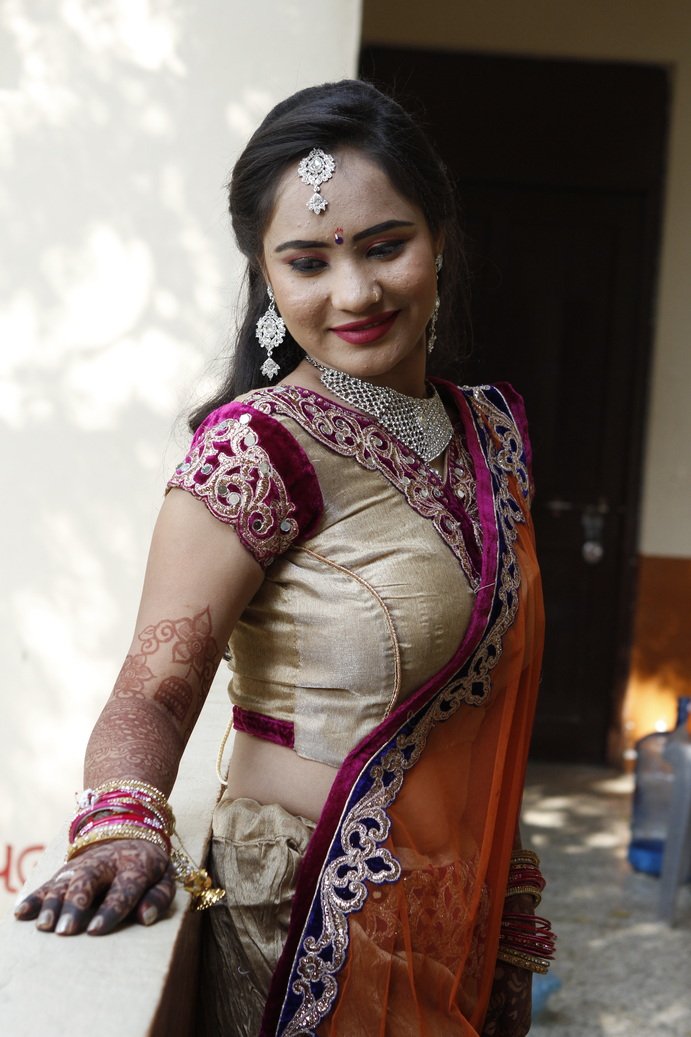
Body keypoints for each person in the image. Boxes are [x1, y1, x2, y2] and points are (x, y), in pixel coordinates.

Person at [15, 79, 552, 1036]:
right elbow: (154, 688)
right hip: (306, 923)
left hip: (453, 920)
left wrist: (507, 918)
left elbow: (488, 711)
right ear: (266, 277)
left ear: (439, 239)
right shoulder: (254, 448)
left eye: (384, 246)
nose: (355, 292)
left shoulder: (493, 439)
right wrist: (122, 828)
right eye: (308, 261)